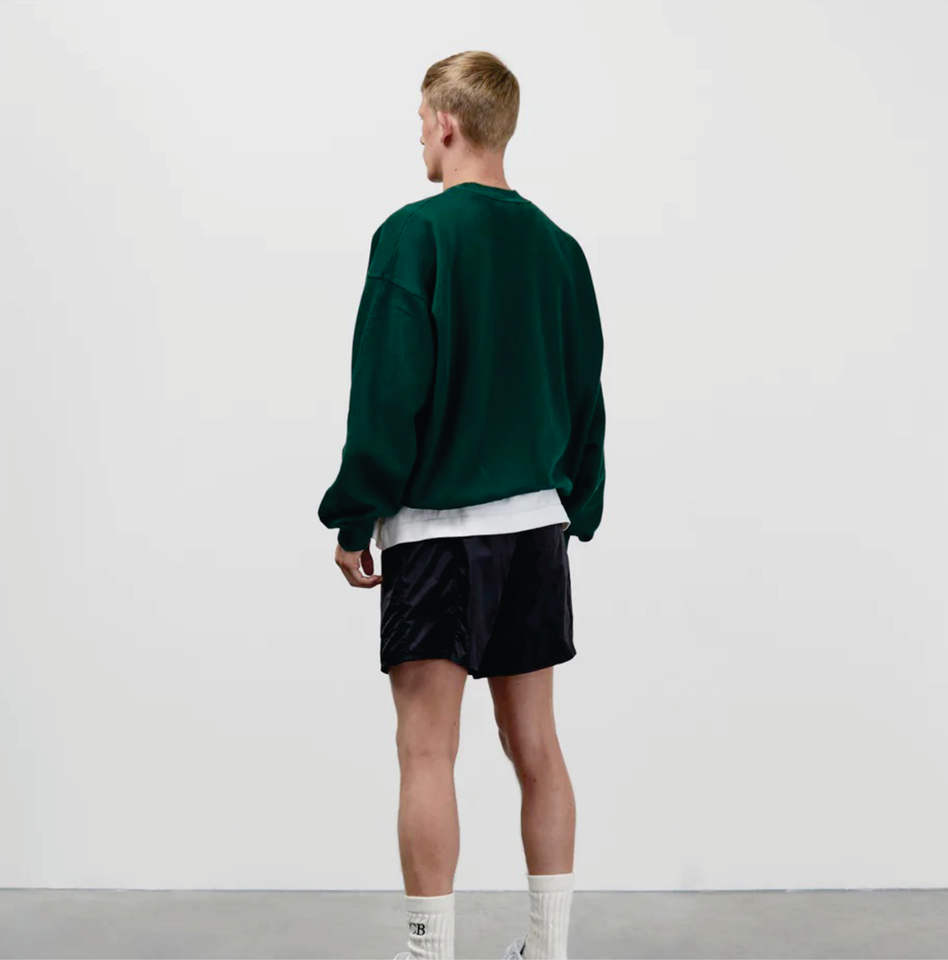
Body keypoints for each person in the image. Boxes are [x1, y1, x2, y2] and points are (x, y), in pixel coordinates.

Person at [316, 50, 605, 960]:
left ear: (446, 122)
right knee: (537, 747)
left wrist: (355, 514)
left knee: (426, 752)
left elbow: (387, 392)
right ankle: (547, 950)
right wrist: (578, 504)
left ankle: (429, 953)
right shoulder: (559, 249)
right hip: (535, 528)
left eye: (420, 122)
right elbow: (585, 392)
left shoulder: (413, 236)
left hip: (439, 535)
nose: (418, 137)